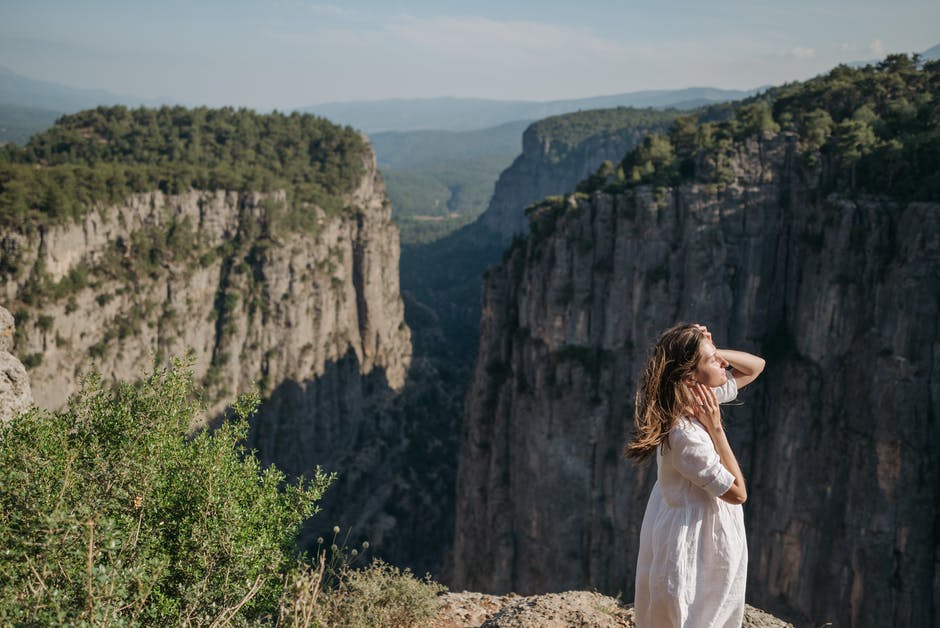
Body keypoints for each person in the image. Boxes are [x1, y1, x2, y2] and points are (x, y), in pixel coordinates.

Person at [626, 323, 765, 628]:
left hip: (702, 535)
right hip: (694, 547)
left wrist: (709, 348)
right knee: (694, 617)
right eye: (714, 361)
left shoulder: (696, 400)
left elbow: (756, 366)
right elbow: (738, 493)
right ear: (691, 377)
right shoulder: (686, 436)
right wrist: (717, 430)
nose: (723, 364)